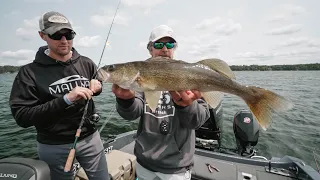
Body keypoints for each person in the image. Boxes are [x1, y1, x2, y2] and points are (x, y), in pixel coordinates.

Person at [9, 11, 109, 180]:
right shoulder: (28, 73)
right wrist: (65, 100)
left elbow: (97, 87)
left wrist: (97, 87)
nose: (64, 40)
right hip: (53, 146)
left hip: (91, 138)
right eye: (57, 35)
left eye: (68, 35)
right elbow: (22, 117)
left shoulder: (86, 63)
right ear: (42, 36)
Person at [112, 25, 211, 180]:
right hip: (145, 164)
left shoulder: (191, 74)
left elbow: (197, 121)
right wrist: (126, 100)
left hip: (177, 168)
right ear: (150, 49)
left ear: (174, 48)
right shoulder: (140, 75)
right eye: (159, 44)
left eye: (170, 44)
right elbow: (133, 113)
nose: (165, 49)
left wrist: (186, 106)